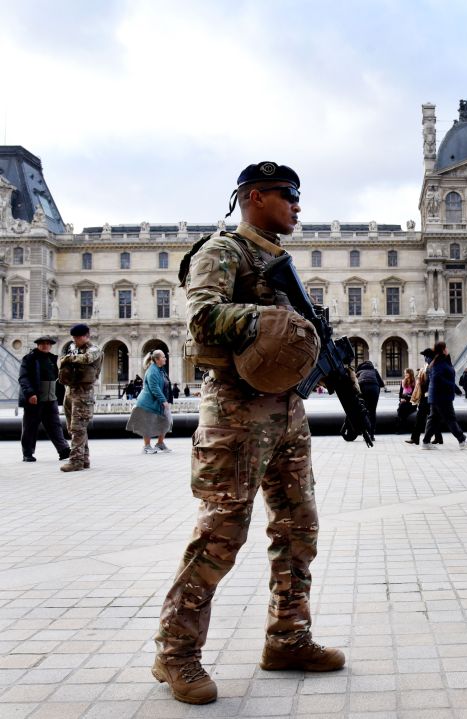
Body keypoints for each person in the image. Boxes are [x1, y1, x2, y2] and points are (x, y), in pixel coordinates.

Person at [153, 162, 344, 706]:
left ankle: (288, 638)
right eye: (289, 196)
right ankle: (176, 652)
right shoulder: (222, 251)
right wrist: (270, 321)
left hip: (286, 411)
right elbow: (203, 318)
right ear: (254, 196)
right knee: (221, 533)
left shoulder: (277, 260)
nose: (298, 206)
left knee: (298, 528)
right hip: (235, 411)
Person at [57, 324, 103, 472]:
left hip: (83, 393)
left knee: (78, 427)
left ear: (86, 336)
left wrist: (69, 359)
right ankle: (84, 459)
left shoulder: (94, 350)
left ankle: (76, 461)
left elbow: (87, 359)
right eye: (74, 338)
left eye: (78, 337)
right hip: (70, 391)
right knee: (74, 428)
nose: (75, 340)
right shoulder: (73, 349)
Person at [19, 336, 70, 463]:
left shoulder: (53, 359)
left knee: (55, 425)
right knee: (30, 427)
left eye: (48, 344)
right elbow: (23, 378)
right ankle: (28, 453)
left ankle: (63, 450)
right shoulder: (29, 358)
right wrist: (30, 394)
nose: (45, 345)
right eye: (42, 344)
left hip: (51, 398)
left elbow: (60, 378)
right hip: (35, 398)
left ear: (51, 345)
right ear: (38, 345)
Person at [420, 341, 467, 449]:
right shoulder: (439, 363)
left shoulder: (439, 361)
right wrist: (452, 387)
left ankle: (425, 442)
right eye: (446, 348)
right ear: (443, 349)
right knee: (450, 418)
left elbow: (446, 378)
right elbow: (438, 379)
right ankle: (462, 440)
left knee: (433, 419)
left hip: (437, 395)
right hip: (441, 396)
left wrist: (455, 389)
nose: (448, 350)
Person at [127, 350, 173, 453]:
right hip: (147, 402)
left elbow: (166, 385)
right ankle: (146, 447)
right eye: (163, 357)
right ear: (157, 359)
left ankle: (160, 443)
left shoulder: (160, 369)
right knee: (147, 424)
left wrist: (168, 399)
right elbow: (154, 388)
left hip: (156, 402)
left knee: (167, 421)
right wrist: (164, 400)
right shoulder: (152, 371)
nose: (165, 358)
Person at [406, 349, 443, 445]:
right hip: (426, 398)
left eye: (427, 356)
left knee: (427, 418)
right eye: (425, 356)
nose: (425, 358)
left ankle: (418, 438)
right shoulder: (426, 367)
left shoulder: (434, 368)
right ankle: (418, 438)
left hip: (430, 398)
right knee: (427, 418)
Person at [355, 359, 387, 434]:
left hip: (362, 387)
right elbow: (381, 384)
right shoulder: (374, 371)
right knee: (372, 411)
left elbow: (355, 383)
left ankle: (364, 431)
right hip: (374, 388)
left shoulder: (359, 371)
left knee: (363, 410)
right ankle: (372, 434)